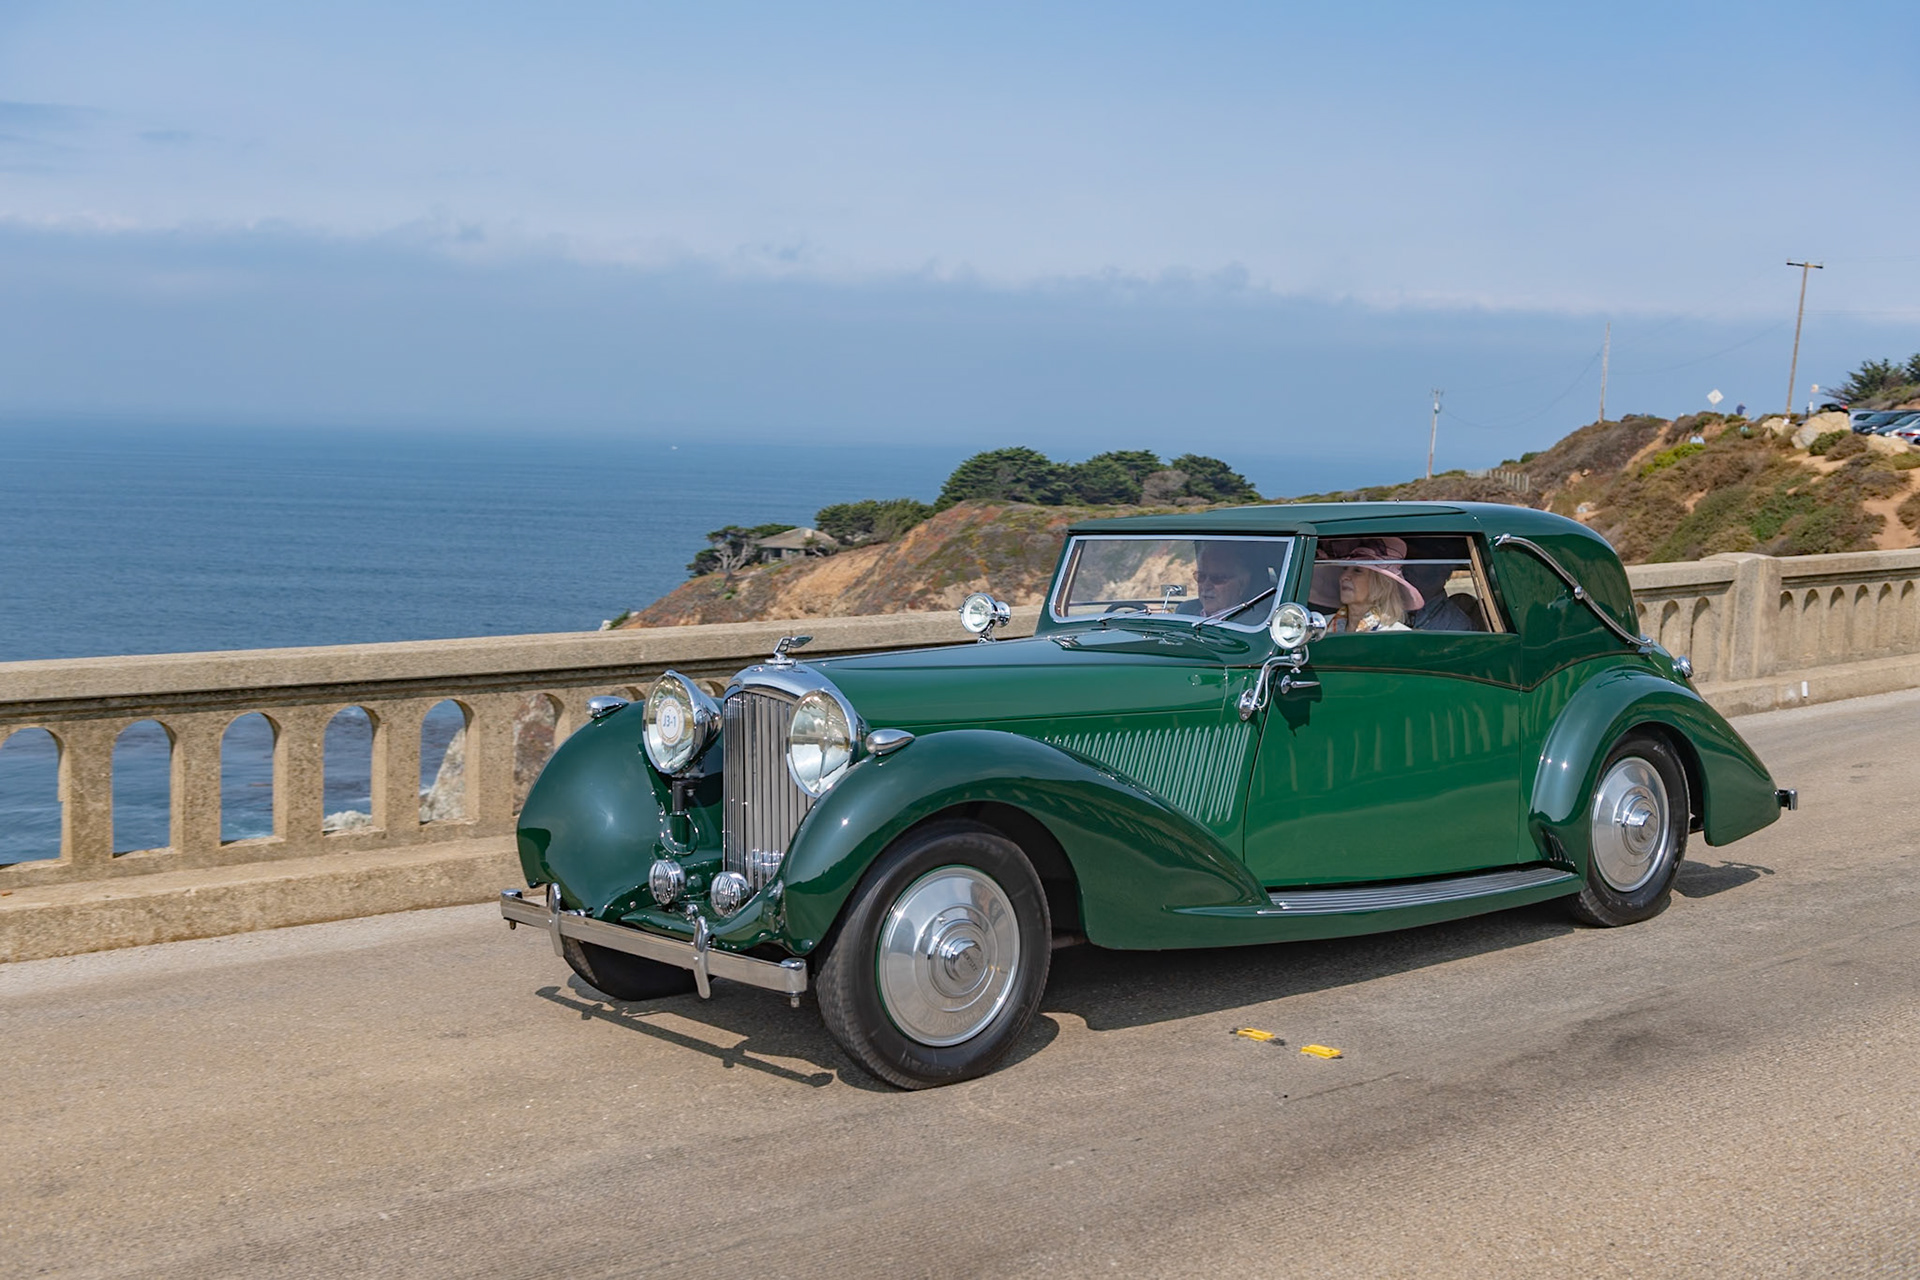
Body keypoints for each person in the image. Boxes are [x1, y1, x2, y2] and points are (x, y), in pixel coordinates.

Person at [1325, 537, 1423, 633]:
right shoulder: (1321, 627)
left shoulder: (1397, 635)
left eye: (1357, 571)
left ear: (1379, 584)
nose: (1344, 576)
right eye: (1345, 569)